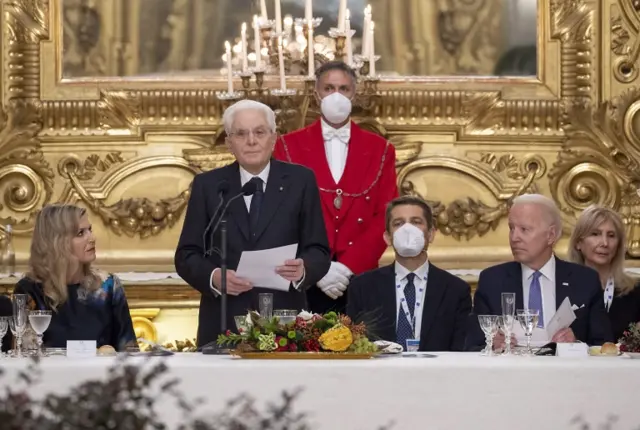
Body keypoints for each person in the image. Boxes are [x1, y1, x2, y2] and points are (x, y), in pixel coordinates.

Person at [175, 100, 331, 348]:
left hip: (286, 323)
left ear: (273, 138)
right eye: (241, 133)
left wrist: (304, 269)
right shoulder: (208, 186)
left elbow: (319, 250)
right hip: (224, 323)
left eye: (259, 132)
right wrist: (215, 277)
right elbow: (187, 255)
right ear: (229, 142)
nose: (251, 140)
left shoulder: (301, 180)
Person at [273, 60, 398, 314]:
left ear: (355, 94)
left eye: (344, 88)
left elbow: (386, 215)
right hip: (305, 278)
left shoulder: (381, 149)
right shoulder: (286, 146)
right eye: (329, 88)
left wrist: (350, 265)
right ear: (316, 94)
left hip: (360, 276)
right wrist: (318, 266)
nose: (336, 95)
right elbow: (281, 215)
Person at [468, 194, 613, 350]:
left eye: (524, 229)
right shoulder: (492, 281)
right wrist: (491, 344)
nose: (514, 237)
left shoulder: (584, 280)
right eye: (512, 228)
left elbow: (604, 345)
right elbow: (470, 346)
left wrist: (575, 344)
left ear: (550, 236)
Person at [347, 196, 471, 351]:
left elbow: (461, 349)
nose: (407, 230)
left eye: (416, 222)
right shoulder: (363, 287)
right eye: (398, 223)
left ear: (431, 234)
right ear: (387, 237)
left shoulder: (455, 290)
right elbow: (354, 344)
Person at [13, 204, 137, 351]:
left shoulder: (108, 286)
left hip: (101, 373)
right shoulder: (29, 290)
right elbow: (25, 357)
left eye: (90, 230)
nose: (92, 238)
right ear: (56, 242)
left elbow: (129, 352)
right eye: (80, 233)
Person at [568, 205, 640, 340]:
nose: (605, 243)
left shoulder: (635, 291)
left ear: (618, 245)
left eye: (611, 236)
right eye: (595, 234)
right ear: (578, 243)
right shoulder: (562, 287)